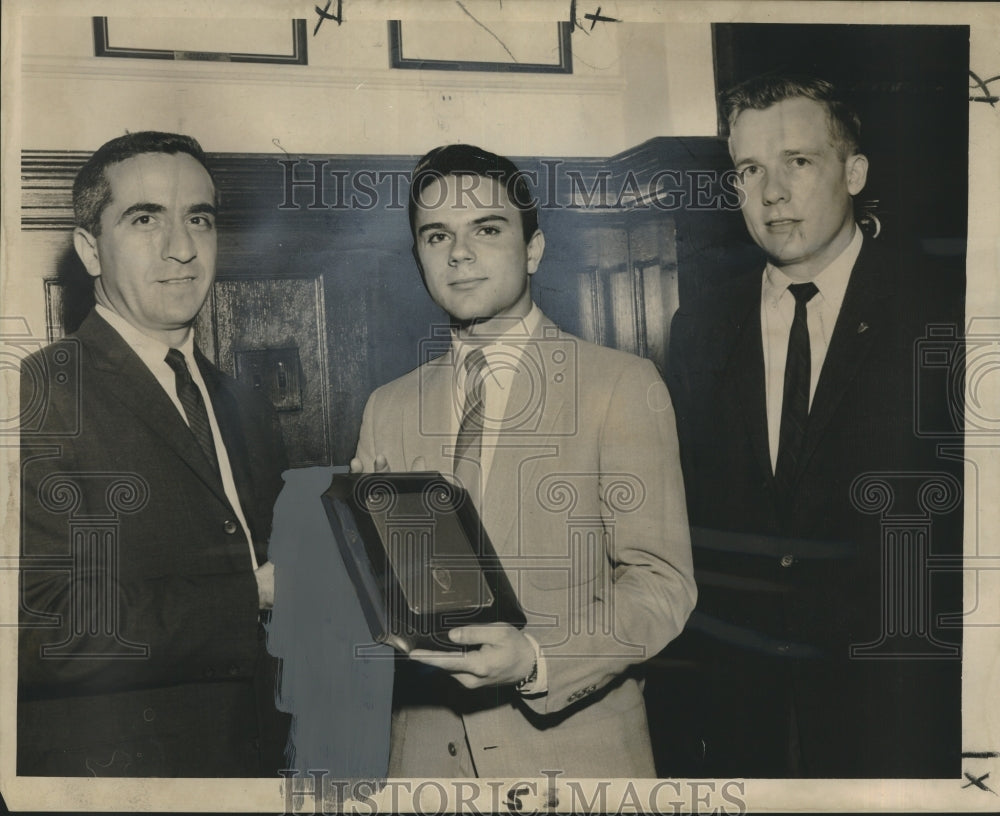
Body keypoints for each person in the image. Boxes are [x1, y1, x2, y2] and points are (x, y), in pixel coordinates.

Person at [350, 143, 696, 778]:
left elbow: (662, 586)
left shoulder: (619, 385)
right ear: (418, 258)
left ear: (533, 248)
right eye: (436, 235)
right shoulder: (388, 406)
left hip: (573, 764)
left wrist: (538, 658)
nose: (459, 253)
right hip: (422, 762)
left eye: (487, 228)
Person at [667, 74, 964, 777]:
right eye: (749, 169)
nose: (771, 193)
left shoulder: (944, 315)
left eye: (798, 161)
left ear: (854, 172)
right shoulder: (702, 325)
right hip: (746, 714)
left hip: (900, 707)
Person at [18, 131, 290, 776]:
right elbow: (35, 630)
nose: (183, 248)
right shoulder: (35, 396)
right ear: (90, 248)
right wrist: (247, 597)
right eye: (145, 219)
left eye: (199, 218)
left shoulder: (244, 406)